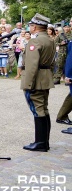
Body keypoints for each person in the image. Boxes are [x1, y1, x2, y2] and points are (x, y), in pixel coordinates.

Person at [21, 14, 56, 151]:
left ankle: (40, 143)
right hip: (45, 77)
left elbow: (31, 66)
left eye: (30, 25)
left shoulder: (35, 42)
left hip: (35, 80)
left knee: (38, 110)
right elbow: (53, 61)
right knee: (44, 109)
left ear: (34, 27)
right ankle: (44, 141)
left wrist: (28, 84)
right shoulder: (50, 40)